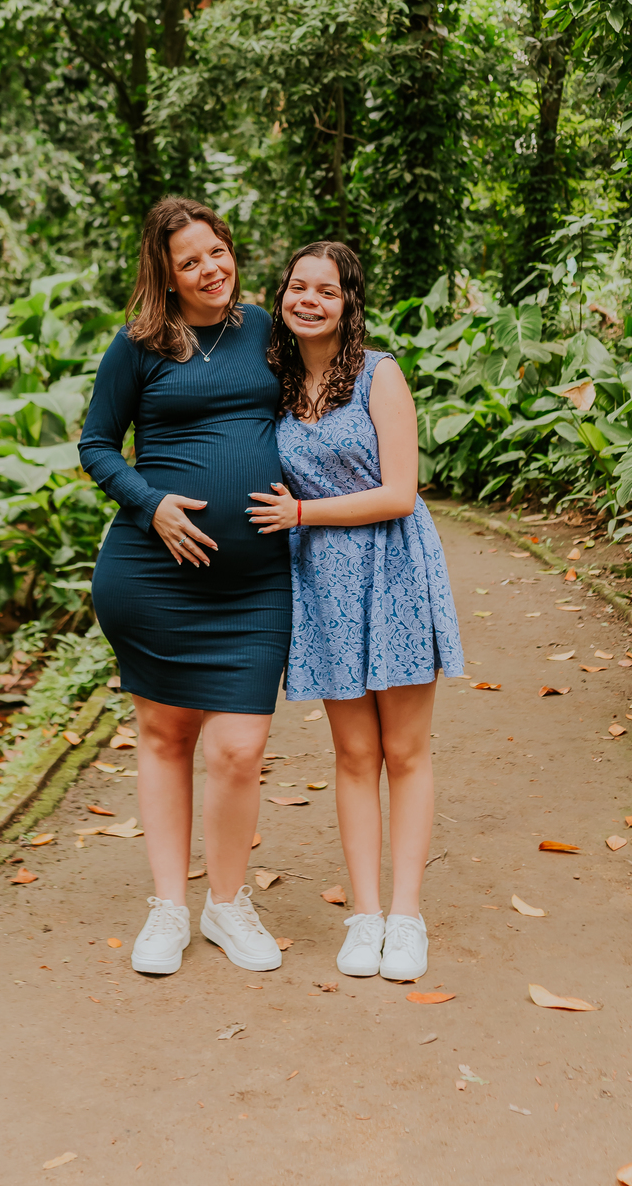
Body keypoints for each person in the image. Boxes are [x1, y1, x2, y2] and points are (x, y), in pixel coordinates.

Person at [78, 198, 291, 978]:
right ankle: (169, 906)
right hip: (153, 576)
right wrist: (152, 502)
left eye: (218, 252)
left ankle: (227, 905)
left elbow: (324, 397)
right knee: (166, 739)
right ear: (165, 276)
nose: (211, 269)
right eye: (190, 261)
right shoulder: (137, 346)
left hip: (257, 582)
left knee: (239, 748)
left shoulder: (267, 330)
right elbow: (96, 444)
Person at [248, 242, 463, 983]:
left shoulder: (380, 373)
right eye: (298, 287)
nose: (310, 299)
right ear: (281, 295)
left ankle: (406, 917)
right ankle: (363, 914)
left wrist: (303, 510)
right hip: (325, 586)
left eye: (327, 290)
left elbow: (400, 492)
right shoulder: (272, 384)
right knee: (351, 756)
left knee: (403, 753)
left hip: (394, 568)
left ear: (348, 302)